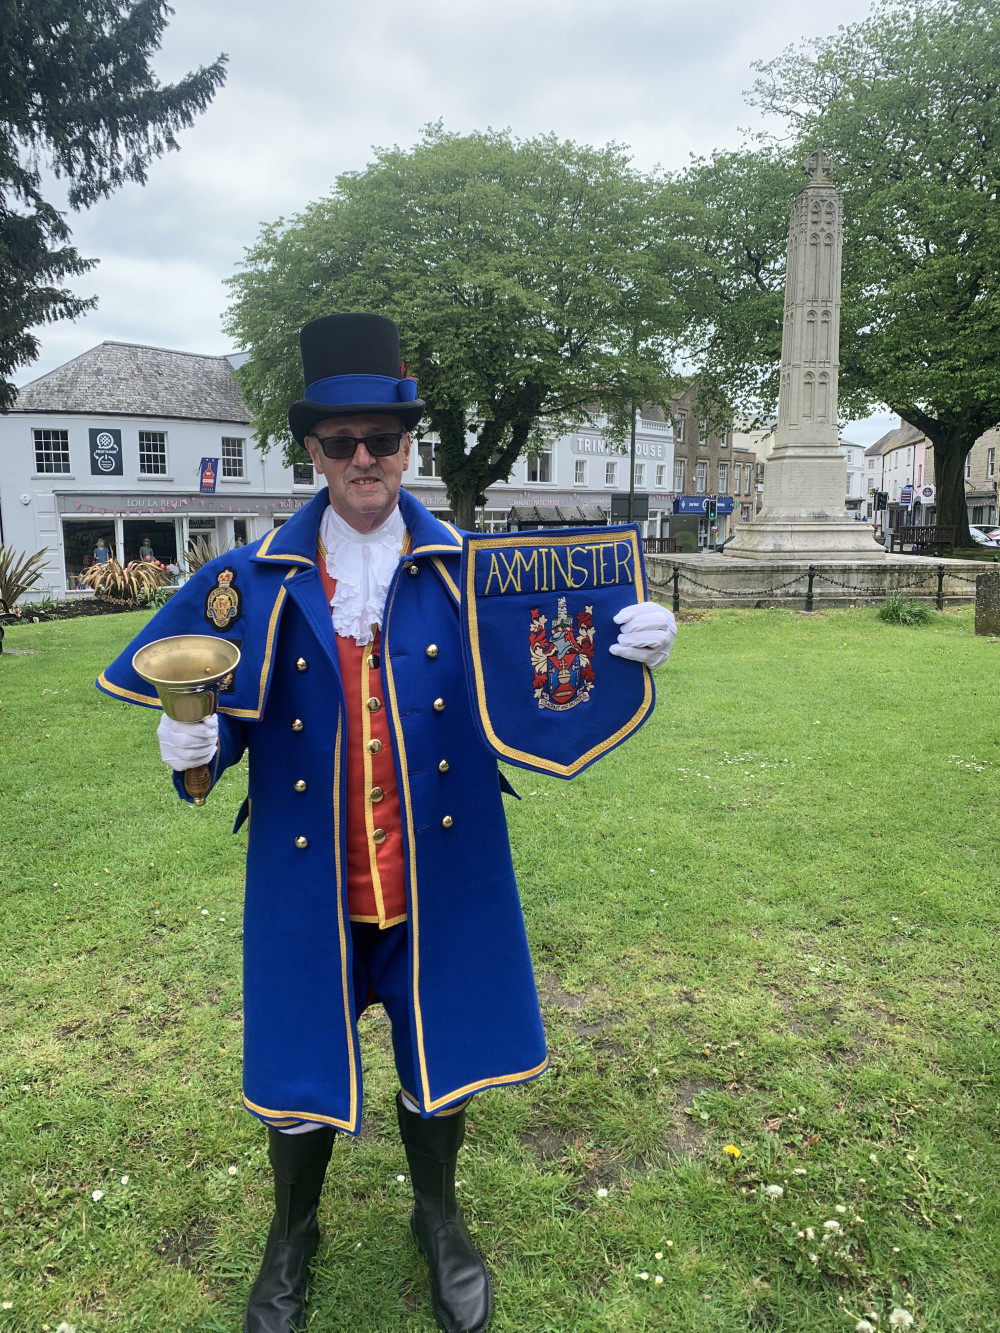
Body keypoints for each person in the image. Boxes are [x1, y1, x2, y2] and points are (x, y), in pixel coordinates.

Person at [97, 314, 675, 1333]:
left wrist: (615, 648)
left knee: (439, 1046)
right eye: (339, 442)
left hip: (437, 868)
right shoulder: (251, 577)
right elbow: (206, 703)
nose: (363, 461)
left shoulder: (472, 572)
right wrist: (192, 750)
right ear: (311, 450)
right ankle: (292, 1233)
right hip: (308, 874)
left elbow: (542, 690)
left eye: (383, 441)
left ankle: (439, 1217)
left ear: (408, 447)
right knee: (296, 1061)